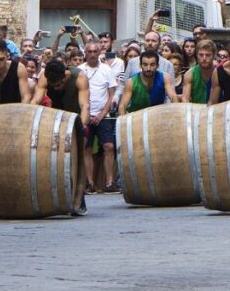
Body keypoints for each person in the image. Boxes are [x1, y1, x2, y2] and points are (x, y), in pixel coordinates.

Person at [78, 41, 118, 193]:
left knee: (109, 146)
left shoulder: (107, 70)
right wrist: (85, 114)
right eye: (90, 52)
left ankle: (109, 182)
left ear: (99, 52)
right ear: (85, 53)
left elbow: (112, 94)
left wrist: (102, 114)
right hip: (85, 115)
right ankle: (90, 183)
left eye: (95, 51)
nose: (93, 54)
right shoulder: (79, 70)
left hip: (103, 115)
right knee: (86, 148)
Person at [33, 59, 90, 127]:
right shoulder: (45, 77)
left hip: (75, 116)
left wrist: (81, 127)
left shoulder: (79, 77)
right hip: (56, 116)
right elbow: (36, 101)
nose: (55, 88)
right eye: (52, 85)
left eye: (58, 85)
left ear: (65, 76)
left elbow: (85, 106)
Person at [119, 50, 177, 114]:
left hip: (157, 115)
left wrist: (176, 113)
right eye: (145, 64)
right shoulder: (131, 82)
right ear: (140, 65)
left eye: (152, 65)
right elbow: (122, 106)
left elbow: (173, 96)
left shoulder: (165, 77)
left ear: (157, 66)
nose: (148, 68)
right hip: (136, 117)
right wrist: (123, 122)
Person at [183, 39, 216, 104]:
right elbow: (185, 99)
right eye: (201, 55)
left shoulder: (219, 71)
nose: (204, 58)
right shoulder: (190, 74)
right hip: (196, 110)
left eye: (208, 55)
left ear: (214, 55)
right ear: (196, 55)